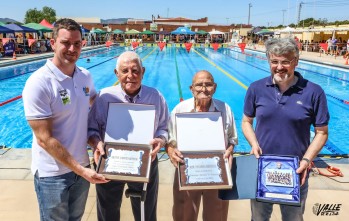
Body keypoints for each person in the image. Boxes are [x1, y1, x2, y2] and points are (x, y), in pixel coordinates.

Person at [22, 18, 108, 221]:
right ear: (53, 43)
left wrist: (96, 142)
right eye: (66, 42)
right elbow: (44, 139)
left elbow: (92, 111)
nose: (72, 48)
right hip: (52, 175)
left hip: (82, 168)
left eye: (77, 43)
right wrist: (81, 170)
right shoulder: (39, 83)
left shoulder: (85, 76)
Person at [242, 38, 329, 221]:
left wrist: (307, 160)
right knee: (258, 218)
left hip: (296, 170)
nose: (279, 67)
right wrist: (254, 143)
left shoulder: (314, 92)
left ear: (296, 61)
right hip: (261, 169)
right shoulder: (256, 88)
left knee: (293, 218)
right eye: (274, 61)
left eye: (285, 62)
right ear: (268, 61)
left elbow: (321, 132)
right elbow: (246, 121)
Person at [87, 51, 169, 221]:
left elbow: (164, 128)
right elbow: (91, 129)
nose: (130, 76)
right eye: (124, 71)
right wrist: (96, 143)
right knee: (107, 211)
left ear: (143, 71)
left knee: (146, 212)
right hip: (110, 161)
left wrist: (160, 140)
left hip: (146, 161)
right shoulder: (104, 97)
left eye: (135, 71)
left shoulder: (155, 97)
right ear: (116, 74)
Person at [166, 70, 238, 221]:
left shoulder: (225, 109)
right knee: (184, 213)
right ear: (191, 89)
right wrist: (170, 150)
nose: (204, 89)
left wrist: (230, 149)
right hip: (187, 170)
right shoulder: (180, 110)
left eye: (208, 85)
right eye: (199, 85)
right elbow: (169, 140)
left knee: (216, 214)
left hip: (216, 173)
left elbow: (232, 139)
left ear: (215, 87)